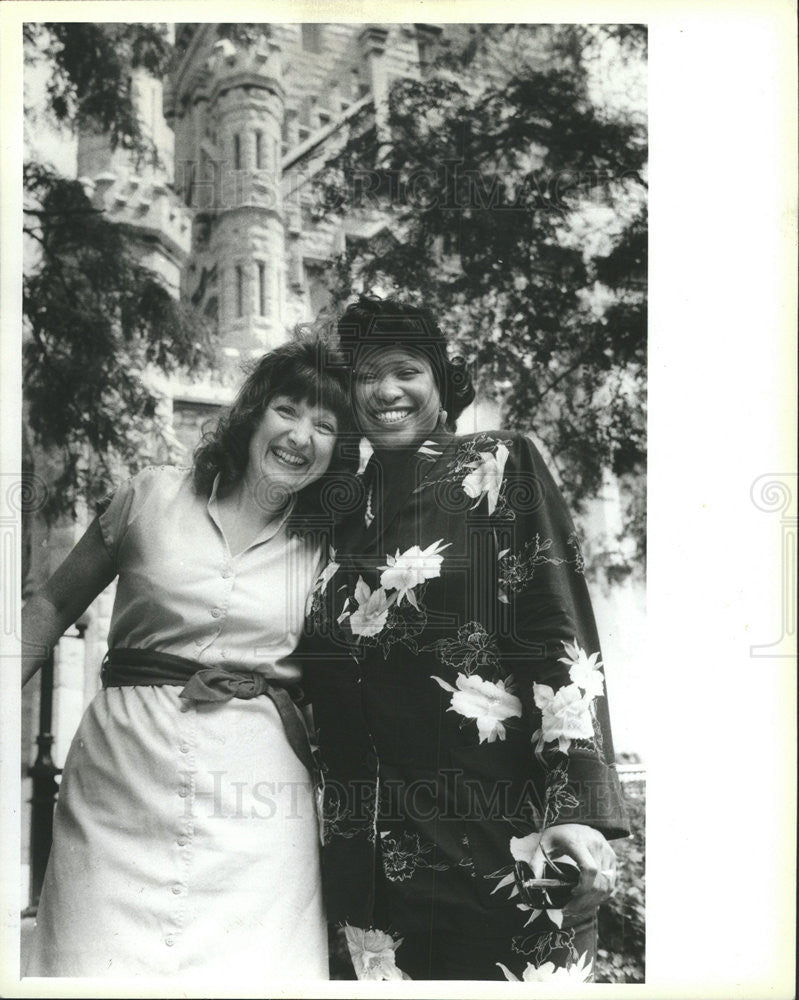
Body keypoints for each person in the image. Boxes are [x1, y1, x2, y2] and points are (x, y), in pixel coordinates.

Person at [304, 296, 630, 981]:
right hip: (366, 875)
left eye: (405, 371)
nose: (385, 391)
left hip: (507, 850)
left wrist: (581, 815)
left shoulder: (498, 464)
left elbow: (557, 635)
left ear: (441, 384)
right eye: (366, 376)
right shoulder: (338, 521)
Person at [22, 340, 357, 980]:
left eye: (326, 426)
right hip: (120, 784)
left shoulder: (329, 547)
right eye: (288, 411)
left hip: (258, 809)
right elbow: (48, 608)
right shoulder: (148, 498)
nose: (300, 437)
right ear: (254, 414)